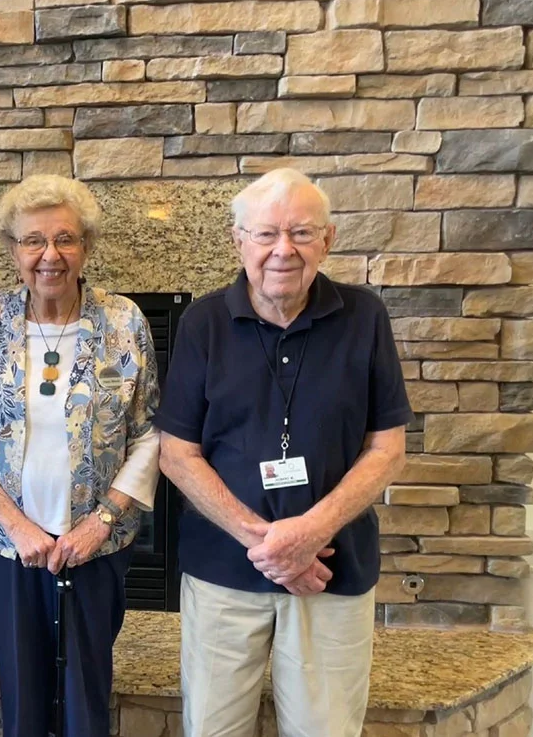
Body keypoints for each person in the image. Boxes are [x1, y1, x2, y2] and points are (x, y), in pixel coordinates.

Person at [155, 168, 412, 737]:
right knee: (214, 729)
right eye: (266, 233)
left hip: (331, 570)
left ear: (329, 239)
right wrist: (269, 544)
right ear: (238, 239)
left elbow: (388, 449)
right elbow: (176, 453)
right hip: (224, 571)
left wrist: (309, 534)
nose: (283, 250)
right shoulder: (202, 323)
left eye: (301, 232)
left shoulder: (364, 317)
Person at [0, 174, 160, 737]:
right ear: (13, 250)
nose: (50, 255)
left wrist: (102, 521)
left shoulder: (126, 323)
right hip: (8, 545)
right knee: (22, 693)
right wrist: (15, 526)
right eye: (33, 240)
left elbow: (151, 432)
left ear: (86, 246)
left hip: (97, 544)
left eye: (65, 239)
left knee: (87, 694)